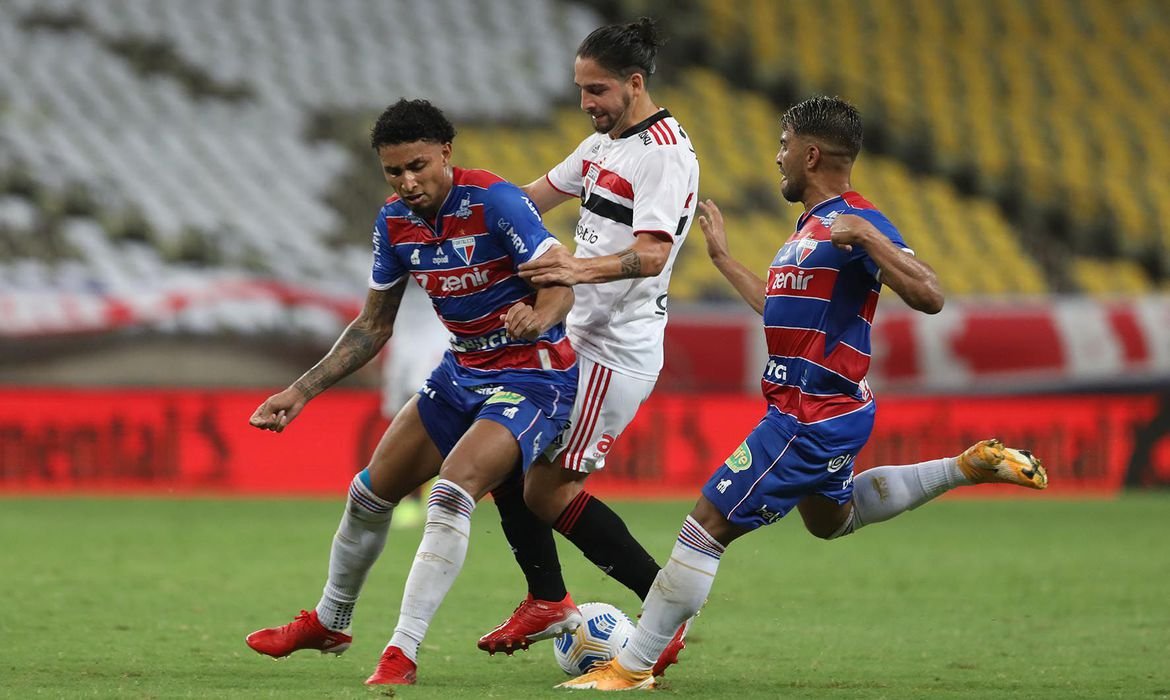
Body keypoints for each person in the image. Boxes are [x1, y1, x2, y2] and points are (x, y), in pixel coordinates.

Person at [559, 95, 1049, 691]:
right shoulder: (809, 229)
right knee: (830, 522)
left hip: (809, 415)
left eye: (784, 145)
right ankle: (963, 466)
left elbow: (930, 295)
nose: (777, 157)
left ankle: (630, 669)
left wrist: (869, 238)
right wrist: (724, 261)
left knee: (706, 524)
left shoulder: (856, 219)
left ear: (810, 153)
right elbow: (780, 312)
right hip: (824, 411)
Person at [243, 98, 579, 686]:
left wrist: (540, 315)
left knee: (451, 490)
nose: (407, 182)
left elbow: (563, 282)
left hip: (534, 375)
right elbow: (373, 325)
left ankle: (403, 649)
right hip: (462, 372)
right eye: (394, 172)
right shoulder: (393, 221)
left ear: (446, 153)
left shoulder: (496, 200)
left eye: (418, 166)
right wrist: (300, 392)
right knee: (369, 494)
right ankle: (331, 620)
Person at [473, 17, 699, 676]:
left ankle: (664, 622)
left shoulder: (663, 154)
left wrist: (573, 270)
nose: (586, 104)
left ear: (634, 83)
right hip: (572, 334)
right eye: (580, 89)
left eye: (596, 90)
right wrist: (468, 214)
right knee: (501, 454)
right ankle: (546, 598)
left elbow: (653, 255)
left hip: (610, 348)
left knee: (542, 491)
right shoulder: (604, 144)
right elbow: (531, 199)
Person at [379, 278, 449, 529]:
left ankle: (434, 490)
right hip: (401, 334)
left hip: (435, 331)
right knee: (397, 417)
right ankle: (409, 494)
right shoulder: (388, 242)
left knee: (428, 410)